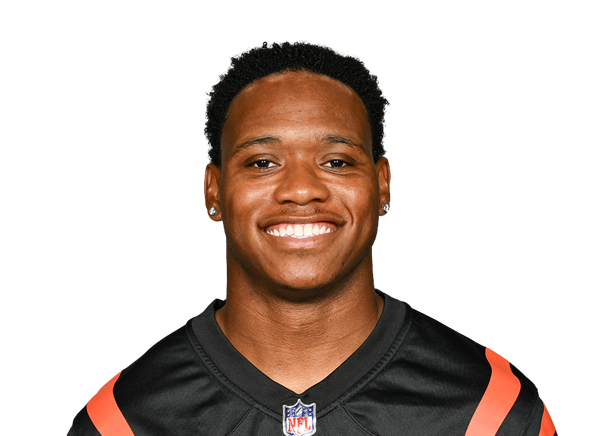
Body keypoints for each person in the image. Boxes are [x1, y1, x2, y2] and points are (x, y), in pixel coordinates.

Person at [68, 40, 557, 436]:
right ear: (213, 191)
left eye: (336, 161)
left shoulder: (489, 411)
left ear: (383, 185)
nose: (301, 190)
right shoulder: (123, 422)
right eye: (262, 162)